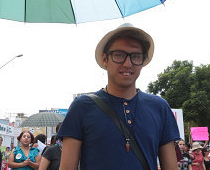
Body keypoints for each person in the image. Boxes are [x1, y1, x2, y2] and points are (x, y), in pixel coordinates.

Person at [59, 24, 180, 169]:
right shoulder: (82, 107)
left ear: (142, 62)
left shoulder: (159, 107)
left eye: (135, 56)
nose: (127, 63)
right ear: (105, 59)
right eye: (119, 55)